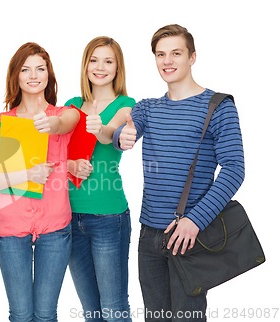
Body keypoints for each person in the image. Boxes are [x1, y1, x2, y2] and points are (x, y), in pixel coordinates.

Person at [113, 24, 245, 321]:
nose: (167, 61)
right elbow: (123, 133)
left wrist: (195, 221)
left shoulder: (218, 106)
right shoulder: (148, 108)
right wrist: (121, 136)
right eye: (161, 54)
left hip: (190, 237)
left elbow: (234, 169)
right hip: (149, 236)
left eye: (176, 53)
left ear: (192, 57)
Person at [0, 42, 79, 322]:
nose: (34, 75)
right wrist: (27, 175)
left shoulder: (63, 115)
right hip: (11, 227)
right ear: (16, 76)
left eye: (40, 68)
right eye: (25, 69)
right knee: (21, 315)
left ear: (49, 74)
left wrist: (52, 125)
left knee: (46, 315)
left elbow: (69, 121)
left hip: (56, 226)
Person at [65, 36, 135, 322]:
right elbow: (54, 156)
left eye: (108, 61)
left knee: (114, 310)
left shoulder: (127, 105)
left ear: (118, 68)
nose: (100, 67)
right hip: (69, 216)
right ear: (85, 65)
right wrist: (71, 164)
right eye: (94, 60)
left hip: (109, 217)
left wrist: (100, 128)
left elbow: (112, 135)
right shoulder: (71, 105)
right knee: (91, 312)